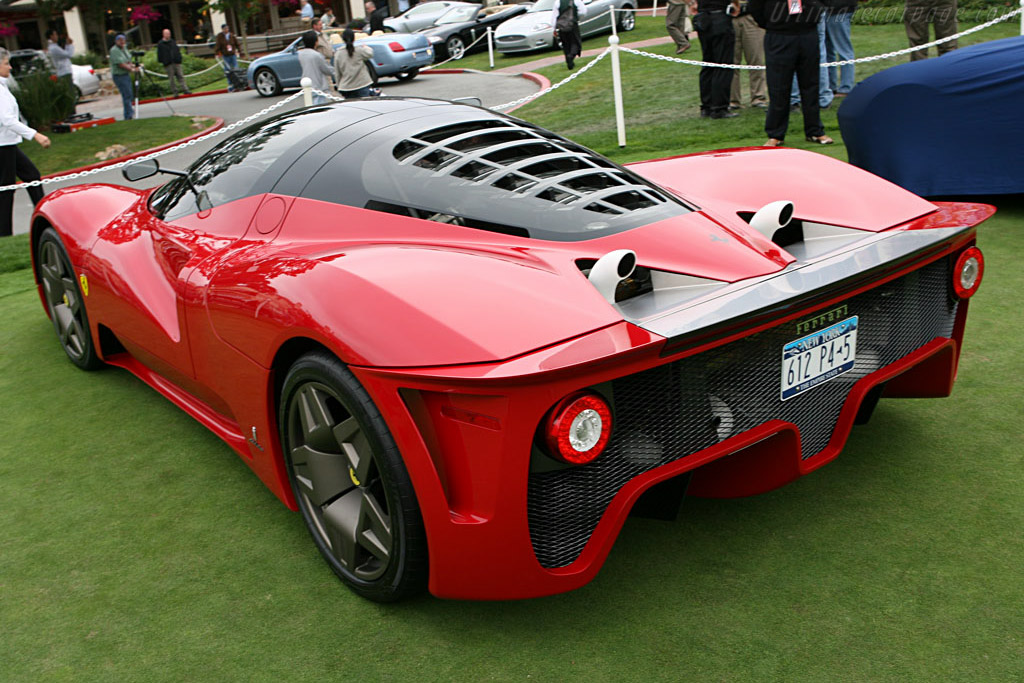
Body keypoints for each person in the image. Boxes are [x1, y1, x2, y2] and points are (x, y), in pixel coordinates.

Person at [749, 0, 833, 145]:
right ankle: (776, 134)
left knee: (811, 85)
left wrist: (813, 14)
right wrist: (773, 23)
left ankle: (815, 131)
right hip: (779, 36)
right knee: (778, 87)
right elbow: (755, 8)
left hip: (807, 34)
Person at [0, 48, 50, 238]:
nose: (10, 67)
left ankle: (44, 219)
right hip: (3, 145)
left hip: (7, 143)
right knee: (6, 189)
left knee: (32, 176)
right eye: (6, 63)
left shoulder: (3, 86)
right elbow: (8, 120)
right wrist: (35, 135)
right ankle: (4, 235)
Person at [694, 0, 739, 118]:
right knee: (723, 65)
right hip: (720, 18)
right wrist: (736, 5)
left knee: (708, 64)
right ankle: (719, 107)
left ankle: (707, 106)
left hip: (703, 18)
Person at [729, 0, 767, 109]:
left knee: (756, 60)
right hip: (730, 18)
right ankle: (733, 100)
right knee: (731, 63)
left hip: (752, 17)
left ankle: (758, 97)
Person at [823, 0, 856, 96]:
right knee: (827, 49)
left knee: (843, 50)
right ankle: (830, 85)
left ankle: (846, 87)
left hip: (839, 9)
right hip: (830, 9)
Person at [334, 28, 375, 98]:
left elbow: (337, 73)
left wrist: (339, 85)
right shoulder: (358, 50)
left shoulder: (338, 53)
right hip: (362, 83)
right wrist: (365, 47)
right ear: (354, 38)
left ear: (343, 39)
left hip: (346, 87)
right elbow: (370, 53)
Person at [298, 30, 333, 104]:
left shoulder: (301, 54)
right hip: (319, 85)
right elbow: (327, 69)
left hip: (307, 86)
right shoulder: (316, 55)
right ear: (316, 42)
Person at [108, 34, 138, 120]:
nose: (121, 42)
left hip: (125, 74)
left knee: (129, 94)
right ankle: (128, 115)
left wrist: (133, 66)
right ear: (116, 41)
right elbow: (120, 64)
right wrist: (131, 69)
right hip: (119, 75)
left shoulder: (124, 48)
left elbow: (128, 60)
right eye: (119, 40)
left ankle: (129, 113)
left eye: (123, 40)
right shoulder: (114, 50)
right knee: (126, 94)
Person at [552, 0, 586, 70]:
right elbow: (583, 12)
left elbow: (554, 16)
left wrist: (554, 28)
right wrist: (577, 18)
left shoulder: (558, 2)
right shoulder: (577, 1)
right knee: (575, 42)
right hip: (573, 25)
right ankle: (571, 56)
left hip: (561, 26)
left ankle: (569, 63)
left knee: (565, 44)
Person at [157, 28, 192, 97]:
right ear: (163, 34)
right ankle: (175, 92)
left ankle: (185, 89)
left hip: (176, 62)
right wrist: (164, 61)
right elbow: (160, 54)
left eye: (169, 34)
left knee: (180, 76)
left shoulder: (173, 42)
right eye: (167, 34)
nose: (168, 35)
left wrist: (179, 59)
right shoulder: (160, 44)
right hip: (168, 63)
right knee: (171, 79)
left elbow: (177, 50)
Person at [214, 23, 241, 91]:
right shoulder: (220, 36)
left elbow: (237, 43)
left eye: (227, 28)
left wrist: (239, 50)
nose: (226, 30)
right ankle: (230, 83)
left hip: (232, 54)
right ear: (222, 29)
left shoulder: (232, 35)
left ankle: (238, 82)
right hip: (225, 55)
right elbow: (218, 45)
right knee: (227, 70)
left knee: (236, 68)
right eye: (225, 28)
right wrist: (217, 53)